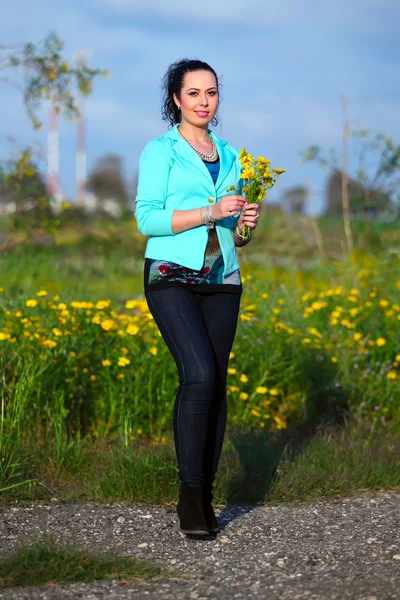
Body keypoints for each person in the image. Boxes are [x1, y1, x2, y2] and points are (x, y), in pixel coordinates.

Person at [134, 58, 259, 536]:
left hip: (223, 277)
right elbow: (147, 219)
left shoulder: (230, 154)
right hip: (169, 273)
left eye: (211, 93)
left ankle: (206, 492)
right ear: (176, 100)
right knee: (199, 374)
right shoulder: (159, 151)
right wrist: (210, 210)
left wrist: (244, 223)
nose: (204, 102)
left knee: (217, 385)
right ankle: (188, 495)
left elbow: (234, 231)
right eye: (194, 93)